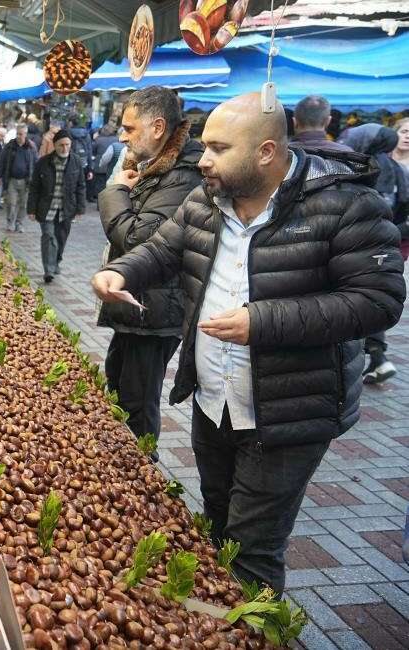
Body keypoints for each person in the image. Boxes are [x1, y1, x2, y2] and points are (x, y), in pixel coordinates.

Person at [91, 92, 405, 595]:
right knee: (218, 523)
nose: (204, 159)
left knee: (252, 548)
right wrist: (118, 271)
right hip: (214, 401)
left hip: (288, 412)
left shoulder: (347, 205)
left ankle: (254, 628)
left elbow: (378, 301)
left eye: (218, 148)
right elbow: (163, 248)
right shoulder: (206, 199)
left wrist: (264, 322)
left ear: (265, 152)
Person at [97, 86, 204, 445]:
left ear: (158, 127)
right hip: (139, 307)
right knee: (118, 385)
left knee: (137, 403)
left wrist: (115, 192)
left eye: (129, 129)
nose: (122, 137)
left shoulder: (184, 174)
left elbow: (137, 240)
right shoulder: (152, 168)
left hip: (155, 310)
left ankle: (142, 475)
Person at [338, 123, 409, 384]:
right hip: (389, 248)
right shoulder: (396, 171)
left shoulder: (360, 170)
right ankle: (378, 356)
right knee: (374, 301)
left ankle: (366, 360)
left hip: (359, 248)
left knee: (355, 302)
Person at [26, 131, 86, 283]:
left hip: (66, 209)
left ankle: (56, 261)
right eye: (61, 145)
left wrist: (80, 208)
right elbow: (34, 187)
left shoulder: (76, 162)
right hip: (46, 208)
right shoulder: (43, 163)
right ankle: (48, 270)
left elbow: (81, 186)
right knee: (48, 236)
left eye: (67, 145)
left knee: (61, 238)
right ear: (55, 145)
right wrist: (31, 209)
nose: (65, 148)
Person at [0, 124, 38, 233]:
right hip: (12, 179)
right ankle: (10, 222)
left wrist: (36, 178)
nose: (19, 136)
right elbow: (2, 160)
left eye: (21, 134)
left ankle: (19, 223)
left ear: (26, 134)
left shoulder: (31, 147)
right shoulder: (10, 146)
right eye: (18, 134)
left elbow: (35, 163)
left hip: (26, 180)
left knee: (24, 204)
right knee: (11, 202)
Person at [90, 124, 120, 201]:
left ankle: (99, 203)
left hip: (100, 166)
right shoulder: (116, 139)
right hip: (112, 166)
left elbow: (93, 152)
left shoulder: (98, 140)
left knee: (100, 185)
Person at [68, 116, 95, 182]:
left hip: (71, 163)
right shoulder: (86, 134)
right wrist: (90, 169)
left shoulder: (68, 133)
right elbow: (89, 151)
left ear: (71, 123)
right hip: (83, 164)